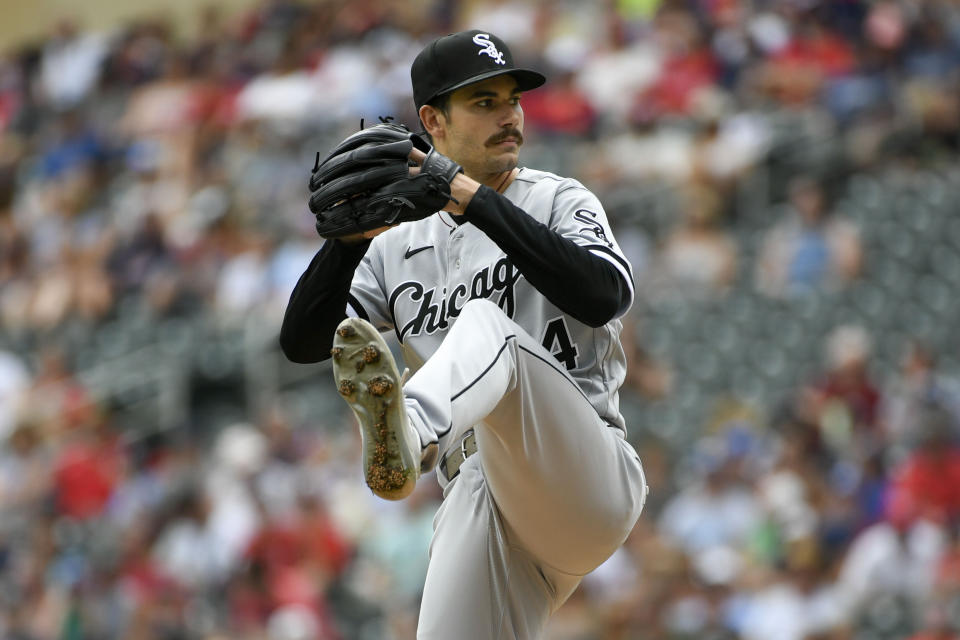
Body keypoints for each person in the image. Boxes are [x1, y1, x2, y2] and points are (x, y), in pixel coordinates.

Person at [280, 30, 648, 639]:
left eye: (513, 99)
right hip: (484, 499)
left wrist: (463, 192)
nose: (509, 115)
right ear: (433, 120)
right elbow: (303, 343)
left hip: (584, 473)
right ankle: (412, 437)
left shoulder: (557, 199)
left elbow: (604, 294)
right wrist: (341, 248)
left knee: (490, 329)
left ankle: (411, 430)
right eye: (484, 102)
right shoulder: (394, 247)